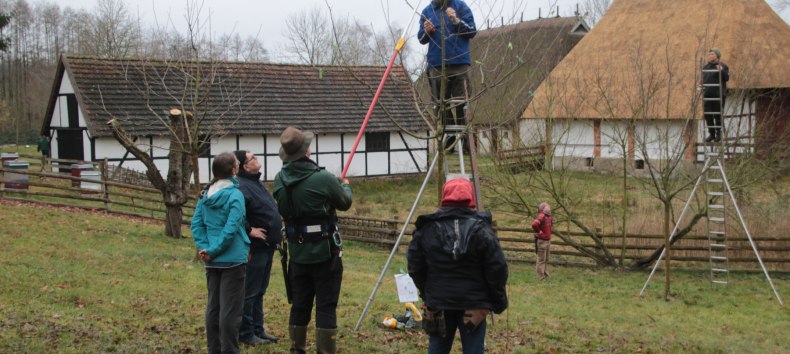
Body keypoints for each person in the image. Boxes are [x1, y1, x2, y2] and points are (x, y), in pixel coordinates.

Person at [273, 127, 353, 354]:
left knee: (300, 305)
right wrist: (345, 185)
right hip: (325, 252)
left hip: (297, 253)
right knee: (326, 306)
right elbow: (344, 202)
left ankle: (297, 349)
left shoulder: (279, 179)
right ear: (306, 151)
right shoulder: (323, 178)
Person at [407, 178, 508, 354]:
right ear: (471, 198)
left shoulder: (427, 229)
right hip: (474, 303)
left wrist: (428, 293)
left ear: (444, 196)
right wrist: (498, 301)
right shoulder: (483, 231)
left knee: (438, 349)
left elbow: (415, 267)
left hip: (441, 301)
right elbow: (497, 269)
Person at [191, 152, 251, 354]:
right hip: (233, 259)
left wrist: (205, 249)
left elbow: (196, 224)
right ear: (234, 170)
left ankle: (214, 350)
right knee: (230, 311)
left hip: (212, 259)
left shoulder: (205, 194)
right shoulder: (235, 195)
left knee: (214, 308)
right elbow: (231, 228)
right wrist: (212, 250)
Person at [232, 150, 282, 346]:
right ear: (245, 166)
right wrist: (249, 229)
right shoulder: (241, 186)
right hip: (255, 247)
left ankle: (258, 329)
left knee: (260, 290)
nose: (257, 159)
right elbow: (236, 213)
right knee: (250, 291)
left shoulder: (256, 182)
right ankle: (246, 332)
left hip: (267, 245)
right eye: (252, 158)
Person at [418, 0, 476, 151]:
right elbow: (421, 39)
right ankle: (448, 139)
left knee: (461, 103)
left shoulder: (460, 6)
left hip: (460, 63)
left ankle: (463, 140)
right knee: (440, 105)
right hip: (436, 65)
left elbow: (472, 31)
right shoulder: (427, 11)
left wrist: (456, 20)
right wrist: (426, 31)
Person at [700, 48, 729, 142]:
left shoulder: (723, 66)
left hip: (718, 95)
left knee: (718, 115)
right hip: (707, 94)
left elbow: (726, 78)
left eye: (713, 54)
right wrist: (700, 85)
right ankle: (711, 134)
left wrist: (721, 70)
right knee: (707, 115)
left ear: (717, 55)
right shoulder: (705, 67)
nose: (711, 56)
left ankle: (718, 134)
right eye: (710, 54)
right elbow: (704, 79)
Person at [532, 202, 553, 281]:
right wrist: (539, 231)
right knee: (541, 259)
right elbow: (534, 224)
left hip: (547, 240)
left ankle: (545, 274)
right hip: (542, 241)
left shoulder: (549, 217)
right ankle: (540, 277)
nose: (548, 208)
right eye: (546, 207)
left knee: (546, 259)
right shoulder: (542, 215)